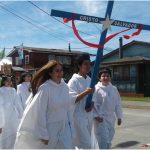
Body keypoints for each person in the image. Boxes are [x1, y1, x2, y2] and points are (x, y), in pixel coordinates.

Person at [15, 60, 73, 149]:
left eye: (61, 70)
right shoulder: (45, 88)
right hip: (49, 129)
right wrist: (44, 134)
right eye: (57, 71)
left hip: (64, 129)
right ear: (50, 73)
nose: (60, 73)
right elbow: (40, 113)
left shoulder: (65, 87)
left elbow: (67, 106)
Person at [67, 53, 94, 149]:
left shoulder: (90, 79)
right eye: (85, 64)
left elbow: (93, 97)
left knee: (83, 144)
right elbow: (70, 99)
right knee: (86, 144)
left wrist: (92, 104)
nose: (88, 66)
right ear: (79, 66)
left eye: (89, 64)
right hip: (78, 116)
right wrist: (86, 92)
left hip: (88, 115)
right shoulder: (73, 81)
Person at [93, 68, 123, 149]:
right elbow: (93, 104)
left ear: (110, 77)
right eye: (103, 76)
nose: (105, 78)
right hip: (100, 119)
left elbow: (118, 103)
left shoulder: (114, 89)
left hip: (111, 118)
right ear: (100, 78)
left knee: (109, 140)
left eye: (107, 76)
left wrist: (119, 116)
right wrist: (96, 115)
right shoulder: (96, 89)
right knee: (103, 141)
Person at [0, 76, 23, 149]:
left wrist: (21, 113)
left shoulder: (13, 90)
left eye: (10, 81)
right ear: (3, 82)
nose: (9, 82)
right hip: (4, 114)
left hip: (13, 114)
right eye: (7, 81)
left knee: (13, 132)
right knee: (5, 133)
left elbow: (17, 102)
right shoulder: (1, 90)